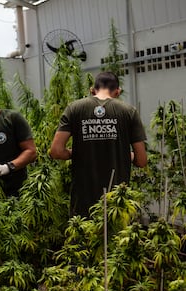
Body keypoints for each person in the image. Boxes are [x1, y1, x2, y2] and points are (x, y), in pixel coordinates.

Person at [49, 71, 147, 217]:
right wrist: (127, 155)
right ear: (118, 91)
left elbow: (56, 151)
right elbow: (142, 160)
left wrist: (75, 153)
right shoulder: (129, 112)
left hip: (83, 198)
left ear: (92, 90)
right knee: (117, 237)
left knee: (83, 237)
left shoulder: (74, 108)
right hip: (117, 199)